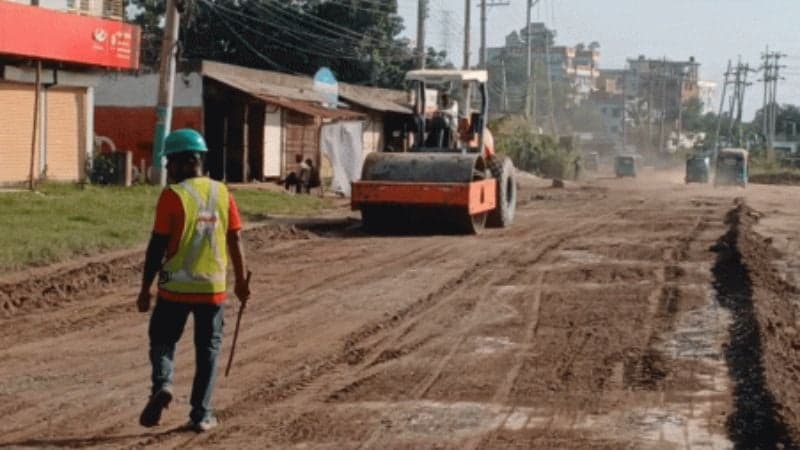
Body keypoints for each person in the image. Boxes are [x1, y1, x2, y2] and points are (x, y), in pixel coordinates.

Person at [137, 129, 250, 433]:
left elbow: (157, 245)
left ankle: (163, 383)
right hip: (212, 290)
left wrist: (145, 287)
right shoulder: (223, 193)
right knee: (208, 351)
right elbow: (235, 238)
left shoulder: (173, 195)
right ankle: (201, 414)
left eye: (169, 164)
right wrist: (240, 280)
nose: (168, 170)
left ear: (179, 162)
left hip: (174, 288)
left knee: (162, 341)